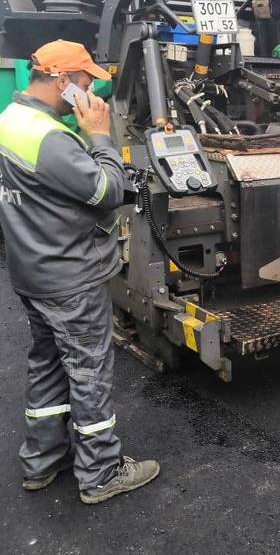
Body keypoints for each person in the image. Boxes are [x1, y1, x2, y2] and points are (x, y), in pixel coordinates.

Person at [0, 39, 159, 504]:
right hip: (70, 276)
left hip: (33, 271)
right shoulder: (49, 139)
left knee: (48, 364)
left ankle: (42, 461)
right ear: (64, 81)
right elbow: (106, 191)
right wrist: (99, 136)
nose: (94, 90)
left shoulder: (12, 121)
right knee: (88, 371)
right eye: (87, 81)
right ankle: (101, 472)